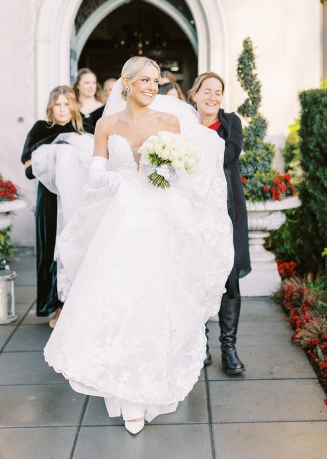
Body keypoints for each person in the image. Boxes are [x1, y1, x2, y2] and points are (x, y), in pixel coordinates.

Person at [44, 56, 233, 435]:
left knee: (160, 301)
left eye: (155, 80)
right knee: (122, 301)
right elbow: (96, 169)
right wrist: (112, 181)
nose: (151, 86)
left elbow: (189, 170)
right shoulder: (107, 123)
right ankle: (126, 396)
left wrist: (169, 168)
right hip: (121, 217)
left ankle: (153, 385)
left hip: (163, 217)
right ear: (126, 84)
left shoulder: (171, 122)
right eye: (144, 80)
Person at [188, 72, 251, 375]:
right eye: (207, 91)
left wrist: (197, 151)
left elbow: (230, 152)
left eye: (218, 92)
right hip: (192, 211)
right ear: (195, 94)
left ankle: (229, 348)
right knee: (195, 276)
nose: (212, 97)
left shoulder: (230, 123)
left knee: (230, 278)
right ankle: (199, 344)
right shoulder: (183, 125)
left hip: (227, 210)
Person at [21, 86, 88, 327]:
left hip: (77, 199)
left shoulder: (83, 130)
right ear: (51, 107)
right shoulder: (41, 129)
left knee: (77, 248)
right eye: (57, 104)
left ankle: (75, 303)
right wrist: (51, 155)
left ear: (74, 106)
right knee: (51, 248)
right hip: (50, 199)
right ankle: (55, 306)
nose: (62, 109)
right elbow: (28, 168)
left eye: (66, 104)